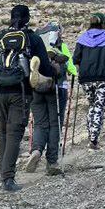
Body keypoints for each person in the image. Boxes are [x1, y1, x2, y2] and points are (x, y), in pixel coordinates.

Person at [0, 4, 54, 192]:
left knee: (3, 131)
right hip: (20, 92)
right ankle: (8, 179)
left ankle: (2, 173)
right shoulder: (33, 39)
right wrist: (56, 70)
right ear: (28, 19)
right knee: (14, 133)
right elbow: (45, 68)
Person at [72, 14, 105, 150]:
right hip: (104, 77)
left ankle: (92, 136)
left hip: (86, 78)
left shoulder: (83, 38)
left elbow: (75, 58)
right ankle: (94, 140)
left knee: (91, 106)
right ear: (103, 24)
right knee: (99, 106)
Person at [26, 25, 70, 176]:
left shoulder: (35, 45)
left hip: (35, 89)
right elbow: (69, 66)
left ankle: (36, 150)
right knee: (54, 124)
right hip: (55, 89)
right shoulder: (59, 46)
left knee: (39, 123)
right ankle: (51, 161)